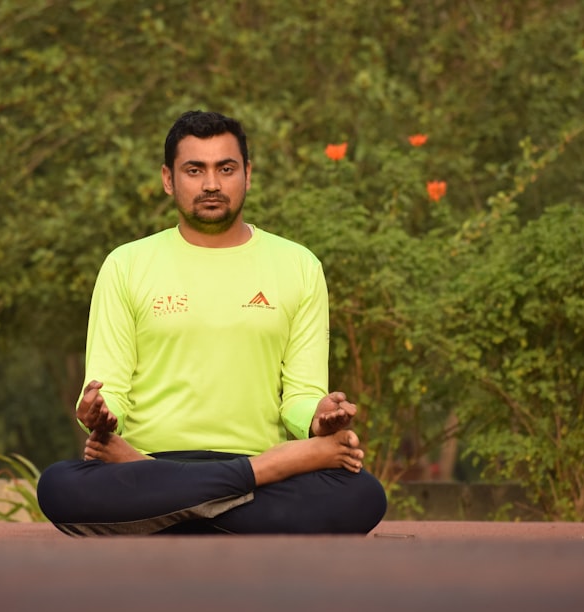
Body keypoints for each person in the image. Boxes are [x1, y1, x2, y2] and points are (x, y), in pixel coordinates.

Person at [37, 110, 387, 535]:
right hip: (154, 463)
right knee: (57, 486)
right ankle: (244, 489)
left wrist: (318, 418)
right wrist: (99, 411)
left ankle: (178, 512)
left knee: (364, 496)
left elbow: (300, 396)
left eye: (225, 168)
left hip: (189, 473)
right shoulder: (126, 265)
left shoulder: (298, 265)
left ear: (248, 174)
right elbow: (109, 393)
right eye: (194, 170)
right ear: (169, 179)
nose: (211, 184)